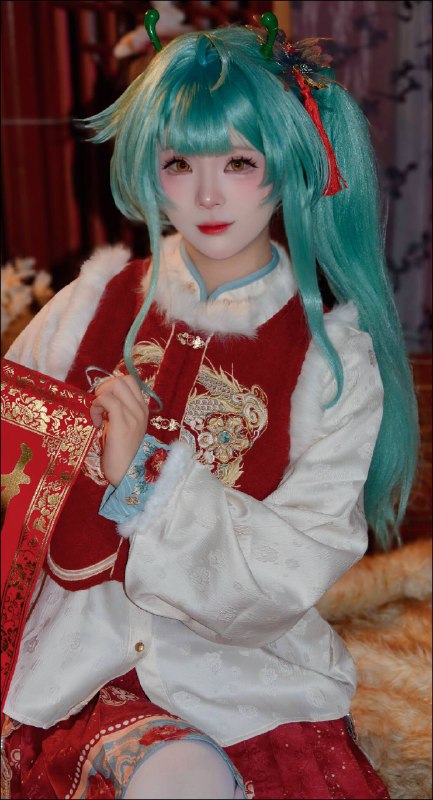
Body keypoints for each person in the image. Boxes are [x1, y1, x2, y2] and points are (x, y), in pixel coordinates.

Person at [2, 11, 419, 800]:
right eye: (177, 162)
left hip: (239, 678)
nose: (204, 194)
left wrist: (148, 479)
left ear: (288, 164)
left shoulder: (332, 364)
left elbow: (290, 573)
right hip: (73, 669)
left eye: (237, 161)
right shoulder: (89, 301)